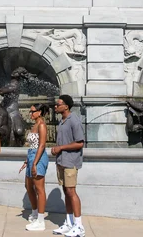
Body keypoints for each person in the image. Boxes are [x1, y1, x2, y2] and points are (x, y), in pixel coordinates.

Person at [51, 95, 85, 237]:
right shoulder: (62, 121)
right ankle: (69, 222)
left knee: (71, 191)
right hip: (61, 161)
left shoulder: (74, 121)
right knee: (66, 191)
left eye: (58, 104)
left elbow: (80, 143)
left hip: (71, 161)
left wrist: (61, 148)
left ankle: (79, 226)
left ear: (66, 106)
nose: (55, 106)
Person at [20, 103, 50, 231]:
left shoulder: (42, 125)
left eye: (33, 111)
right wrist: (27, 161)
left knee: (39, 189)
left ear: (39, 112)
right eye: (30, 111)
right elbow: (33, 146)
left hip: (39, 157)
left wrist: (35, 163)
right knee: (28, 186)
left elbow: (42, 145)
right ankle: (35, 212)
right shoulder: (35, 124)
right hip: (32, 156)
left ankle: (41, 221)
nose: (30, 113)